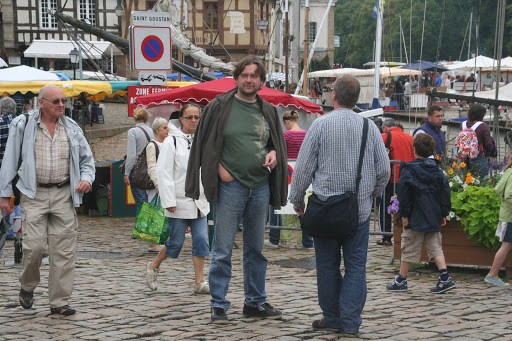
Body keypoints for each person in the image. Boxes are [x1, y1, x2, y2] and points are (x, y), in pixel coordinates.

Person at [185, 55, 288, 324]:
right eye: (245, 75)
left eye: (254, 76)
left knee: (256, 250)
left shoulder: (266, 110)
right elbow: (206, 142)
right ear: (237, 78)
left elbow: (275, 141)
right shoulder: (220, 106)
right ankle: (218, 304)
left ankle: (255, 302)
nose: (249, 80)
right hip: (231, 188)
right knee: (222, 250)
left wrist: (275, 153)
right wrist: (219, 169)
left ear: (262, 81)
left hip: (260, 185)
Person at [289, 75, 390, 335]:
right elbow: (384, 171)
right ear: (356, 99)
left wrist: (298, 200)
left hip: (325, 209)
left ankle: (332, 317)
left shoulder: (320, 126)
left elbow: (302, 170)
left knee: (327, 266)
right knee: (356, 266)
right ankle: (351, 321)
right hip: (358, 211)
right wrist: (369, 196)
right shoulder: (370, 128)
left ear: (333, 95)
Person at [0, 84, 95, 315]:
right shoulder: (22, 125)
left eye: (62, 101)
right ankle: (27, 286)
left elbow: (86, 160)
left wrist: (86, 179)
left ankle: (59, 302)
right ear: (41, 103)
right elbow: (10, 160)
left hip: (64, 194)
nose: (61, 105)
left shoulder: (72, 127)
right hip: (34, 193)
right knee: (33, 248)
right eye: (55, 101)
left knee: (64, 251)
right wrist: (4, 194)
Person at [145, 104, 211, 294]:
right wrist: (168, 200)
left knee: (201, 240)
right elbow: (163, 171)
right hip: (179, 199)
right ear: (181, 119)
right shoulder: (171, 141)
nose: (193, 121)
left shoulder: (204, 140)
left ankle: (199, 281)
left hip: (199, 200)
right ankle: (154, 265)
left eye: (196, 117)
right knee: (176, 243)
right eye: (189, 117)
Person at [386, 133, 455, 294]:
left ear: (414, 149)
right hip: (433, 214)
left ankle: (401, 279)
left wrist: (404, 215)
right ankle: (445, 277)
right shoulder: (437, 169)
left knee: (409, 247)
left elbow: (404, 195)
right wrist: (443, 213)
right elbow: (445, 192)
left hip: (415, 216)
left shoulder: (409, 170)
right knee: (435, 247)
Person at [268, 110, 313, 248]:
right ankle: (306, 241)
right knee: (302, 208)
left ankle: (277, 238)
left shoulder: (286, 135)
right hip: (302, 175)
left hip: (286, 175)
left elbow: (280, 152)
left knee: (280, 206)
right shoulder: (306, 135)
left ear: (287, 122)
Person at [377, 119, 414, 246]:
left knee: (386, 208)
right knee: (405, 208)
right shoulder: (410, 138)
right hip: (408, 180)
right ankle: (407, 236)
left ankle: (386, 237)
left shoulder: (384, 136)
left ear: (385, 128)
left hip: (392, 179)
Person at [484, 160, 512, 286]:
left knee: (507, 245)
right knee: (506, 246)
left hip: (507, 215)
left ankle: (493, 274)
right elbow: (509, 194)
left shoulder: (509, 171)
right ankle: (492, 274)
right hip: (510, 216)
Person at [124, 108, 154, 217]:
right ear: (146, 118)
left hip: (137, 169)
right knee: (149, 200)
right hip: (150, 167)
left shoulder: (133, 131)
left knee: (141, 201)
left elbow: (131, 155)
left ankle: (141, 229)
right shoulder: (152, 131)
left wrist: (126, 172)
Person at [145, 117, 169, 252]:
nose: (167, 130)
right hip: (157, 183)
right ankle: (152, 242)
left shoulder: (167, 143)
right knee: (154, 211)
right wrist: (157, 183)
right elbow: (151, 166)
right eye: (164, 128)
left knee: (163, 211)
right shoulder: (152, 145)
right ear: (157, 130)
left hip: (166, 182)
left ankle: (160, 238)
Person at [0, 97, 19, 240]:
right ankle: (17, 228)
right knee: (17, 199)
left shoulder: (0, 123)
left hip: (2, 168)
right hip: (19, 169)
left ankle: (7, 228)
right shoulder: (22, 122)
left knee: (4, 197)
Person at [462, 104, 495, 180]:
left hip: (464, 157)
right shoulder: (483, 126)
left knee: (465, 181)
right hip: (479, 157)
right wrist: (487, 154)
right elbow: (489, 143)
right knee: (482, 183)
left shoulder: (463, 125)